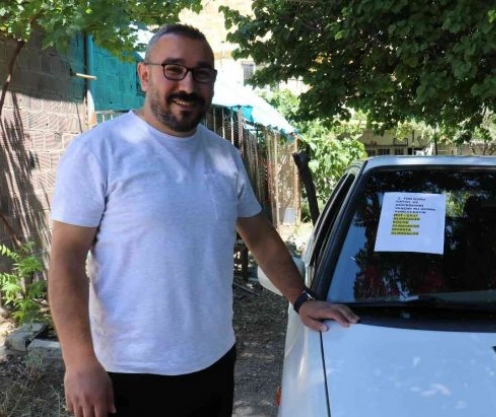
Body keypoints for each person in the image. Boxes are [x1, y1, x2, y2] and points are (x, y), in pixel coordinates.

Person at [48, 23, 359, 417]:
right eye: (173, 69)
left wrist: (301, 299)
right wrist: (79, 363)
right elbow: (66, 261)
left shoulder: (224, 156)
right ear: (144, 75)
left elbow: (260, 237)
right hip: (126, 371)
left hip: (213, 363)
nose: (188, 85)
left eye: (202, 73)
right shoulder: (99, 151)